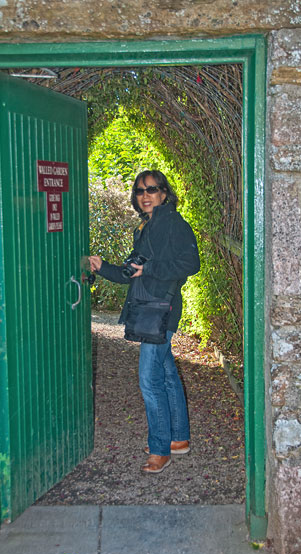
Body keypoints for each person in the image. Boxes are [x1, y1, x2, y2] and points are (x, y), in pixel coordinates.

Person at [89, 170, 200, 474]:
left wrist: (149, 268)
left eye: (152, 189)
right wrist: (103, 268)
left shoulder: (174, 224)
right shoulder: (146, 227)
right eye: (140, 191)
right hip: (149, 308)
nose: (146, 195)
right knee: (165, 376)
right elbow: (132, 273)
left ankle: (160, 448)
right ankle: (178, 439)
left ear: (165, 193)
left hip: (162, 310)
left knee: (149, 381)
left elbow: (191, 263)